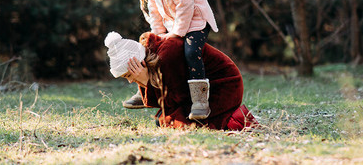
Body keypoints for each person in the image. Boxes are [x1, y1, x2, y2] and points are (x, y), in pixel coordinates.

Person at [124, 0, 218, 120]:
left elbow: (186, 7)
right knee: (151, 47)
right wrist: (158, 36)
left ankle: (200, 101)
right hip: (174, 24)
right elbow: (155, 11)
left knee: (191, 53)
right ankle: (147, 92)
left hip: (195, 22)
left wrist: (177, 33)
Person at [105, 31, 259, 130]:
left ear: (140, 63)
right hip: (204, 89)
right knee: (163, 119)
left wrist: (146, 81)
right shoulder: (155, 57)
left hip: (223, 86)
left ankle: (238, 119)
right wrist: (146, 81)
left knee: (173, 121)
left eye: (128, 75)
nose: (131, 81)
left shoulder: (167, 55)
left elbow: (177, 98)